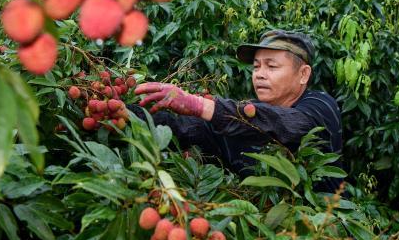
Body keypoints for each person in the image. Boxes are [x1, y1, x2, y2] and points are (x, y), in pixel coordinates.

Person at [134, 30, 344, 193]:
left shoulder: (321, 106)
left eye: (271, 66)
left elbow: (286, 124)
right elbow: (187, 128)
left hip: (325, 234)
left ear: (303, 74)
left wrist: (199, 105)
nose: (259, 75)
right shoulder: (243, 111)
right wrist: (131, 114)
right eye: (256, 67)